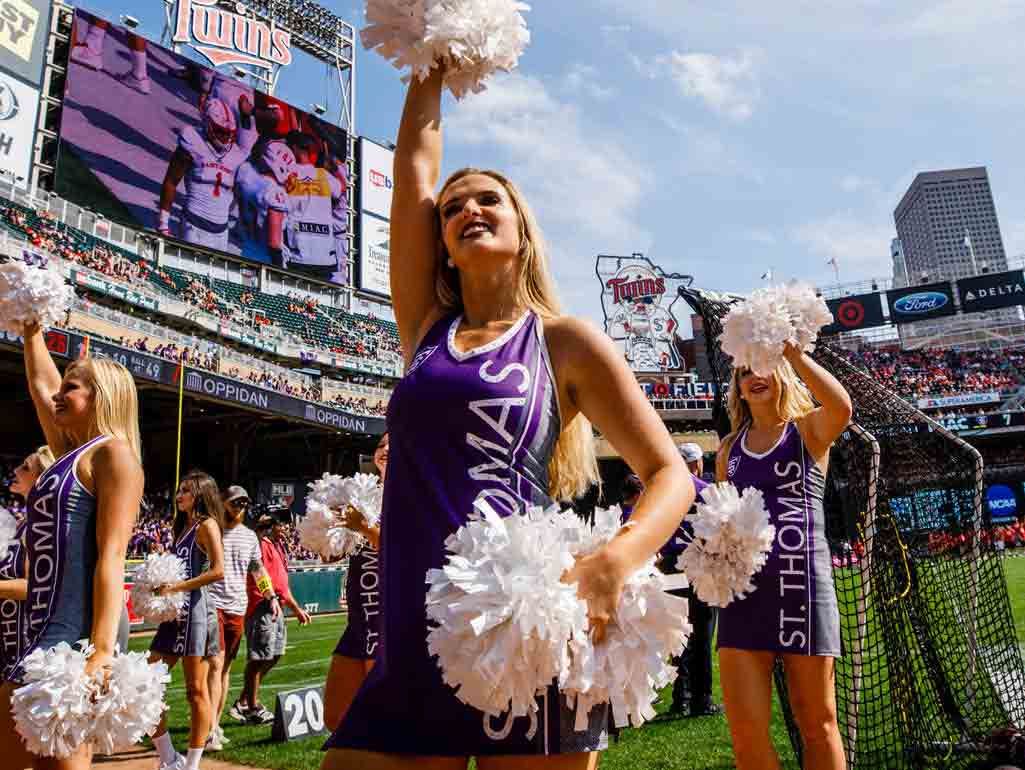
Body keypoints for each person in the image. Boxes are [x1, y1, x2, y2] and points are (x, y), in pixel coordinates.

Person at [323, 65, 694, 769]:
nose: (467, 209)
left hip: (521, 628)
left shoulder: (566, 341)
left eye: (487, 199)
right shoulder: (426, 329)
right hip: (411, 627)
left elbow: (667, 471)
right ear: (440, 244)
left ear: (521, 229)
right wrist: (429, 62)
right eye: (452, 209)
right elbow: (412, 176)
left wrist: (618, 558)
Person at [0, 322, 144, 770]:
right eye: (61, 388)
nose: (58, 396)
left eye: (72, 388)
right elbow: (42, 386)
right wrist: (31, 333)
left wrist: (100, 650)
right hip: (38, 631)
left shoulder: (113, 454)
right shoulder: (69, 452)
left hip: (70, 639)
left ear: (102, 396)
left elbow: (112, 555)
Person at [716, 345, 852, 770]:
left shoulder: (807, 430)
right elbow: (724, 518)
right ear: (737, 388)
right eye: (744, 372)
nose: (755, 376)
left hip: (801, 588)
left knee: (818, 724)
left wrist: (793, 353)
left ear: (784, 375)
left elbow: (842, 406)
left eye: (765, 368)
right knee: (745, 736)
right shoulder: (728, 451)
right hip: (744, 597)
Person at [149, 471, 226, 770]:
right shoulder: (182, 528)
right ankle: (169, 757)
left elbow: (218, 571)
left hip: (196, 614)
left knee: (196, 690)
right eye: (179, 490)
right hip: (175, 615)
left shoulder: (206, 526)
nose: (178, 495)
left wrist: (175, 588)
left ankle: (192, 764)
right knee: (146, 683)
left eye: (185, 491)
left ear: (200, 495)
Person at [324, 433, 388, 730]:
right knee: (335, 717)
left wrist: (361, 525)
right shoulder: (366, 495)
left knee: (382, 719)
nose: (385, 449)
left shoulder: (414, 494)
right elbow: (340, 552)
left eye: (393, 443)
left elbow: (401, 549)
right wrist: (329, 541)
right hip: (359, 616)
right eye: (380, 445)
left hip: (387, 617)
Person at [207, 486, 277, 751]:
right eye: (235, 502)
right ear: (223, 502)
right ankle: (209, 727)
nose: (239, 507)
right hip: (212, 603)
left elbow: (257, 569)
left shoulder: (249, 537)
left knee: (223, 669)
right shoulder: (212, 528)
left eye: (244, 503)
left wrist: (269, 595)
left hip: (237, 607)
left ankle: (213, 723)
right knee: (214, 665)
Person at [235, 510, 312, 723]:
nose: (286, 528)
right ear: (270, 527)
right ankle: (251, 707)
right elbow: (260, 572)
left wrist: (296, 609)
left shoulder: (276, 547)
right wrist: (262, 522)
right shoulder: (260, 543)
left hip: (276, 606)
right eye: (281, 524)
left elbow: (282, 585)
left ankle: (243, 700)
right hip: (261, 604)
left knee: (275, 654)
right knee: (259, 657)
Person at [157, 97, 258, 251]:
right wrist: (163, 224)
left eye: (229, 133)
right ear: (207, 123)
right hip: (193, 226)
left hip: (221, 233)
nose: (225, 137)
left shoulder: (238, 154)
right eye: (221, 131)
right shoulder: (193, 140)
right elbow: (171, 181)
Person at [667, 443, 720, 718]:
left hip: (672, 567)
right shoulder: (707, 491)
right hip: (701, 567)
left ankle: (681, 698)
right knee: (702, 634)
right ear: (698, 463)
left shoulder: (666, 490)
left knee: (678, 634)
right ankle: (703, 698)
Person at [282, 131, 347, 282]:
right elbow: (342, 188)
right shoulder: (323, 175)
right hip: (324, 257)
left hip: (299, 255)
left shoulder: (288, 173)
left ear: (295, 148)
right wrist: (335, 166)